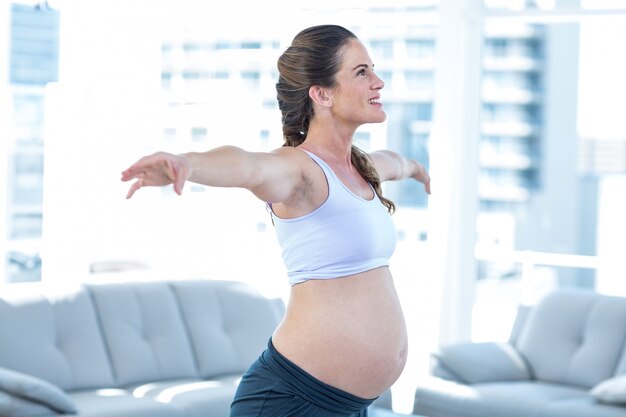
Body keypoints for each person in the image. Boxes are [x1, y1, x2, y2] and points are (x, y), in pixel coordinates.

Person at [121, 24, 430, 417]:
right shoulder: (298, 170)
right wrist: (188, 164)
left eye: (373, 69)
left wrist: (418, 170)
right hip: (292, 401)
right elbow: (248, 166)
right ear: (321, 94)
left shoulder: (362, 169)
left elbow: (395, 163)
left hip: (349, 406)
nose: (378, 81)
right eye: (362, 72)